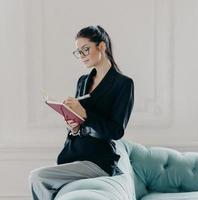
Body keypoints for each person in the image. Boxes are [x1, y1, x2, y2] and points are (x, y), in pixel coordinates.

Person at [28, 25, 134, 200]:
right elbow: (80, 124)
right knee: (41, 180)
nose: (82, 56)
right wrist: (73, 125)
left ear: (101, 46)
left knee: (37, 177)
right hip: (74, 154)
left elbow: (116, 131)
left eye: (86, 50)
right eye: (78, 52)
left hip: (98, 160)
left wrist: (84, 114)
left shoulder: (123, 84)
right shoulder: (83, 81)